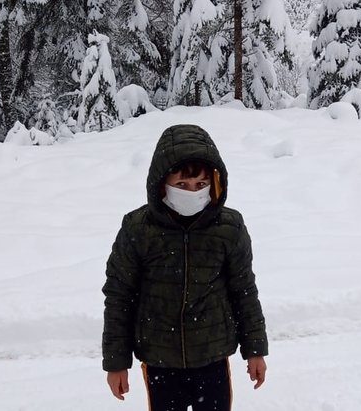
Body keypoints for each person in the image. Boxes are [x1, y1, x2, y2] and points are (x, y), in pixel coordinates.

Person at [102, 124, 268, 411]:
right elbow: (119, 296)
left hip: (212, 357)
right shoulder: (138, 228)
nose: (192, 192)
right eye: (182, 185)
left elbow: (244, 290)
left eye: (200, 185)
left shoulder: (229, 227)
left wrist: (255, 350)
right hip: (160, 361)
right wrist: (117, 362)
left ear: (214, 183)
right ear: (161, 183)